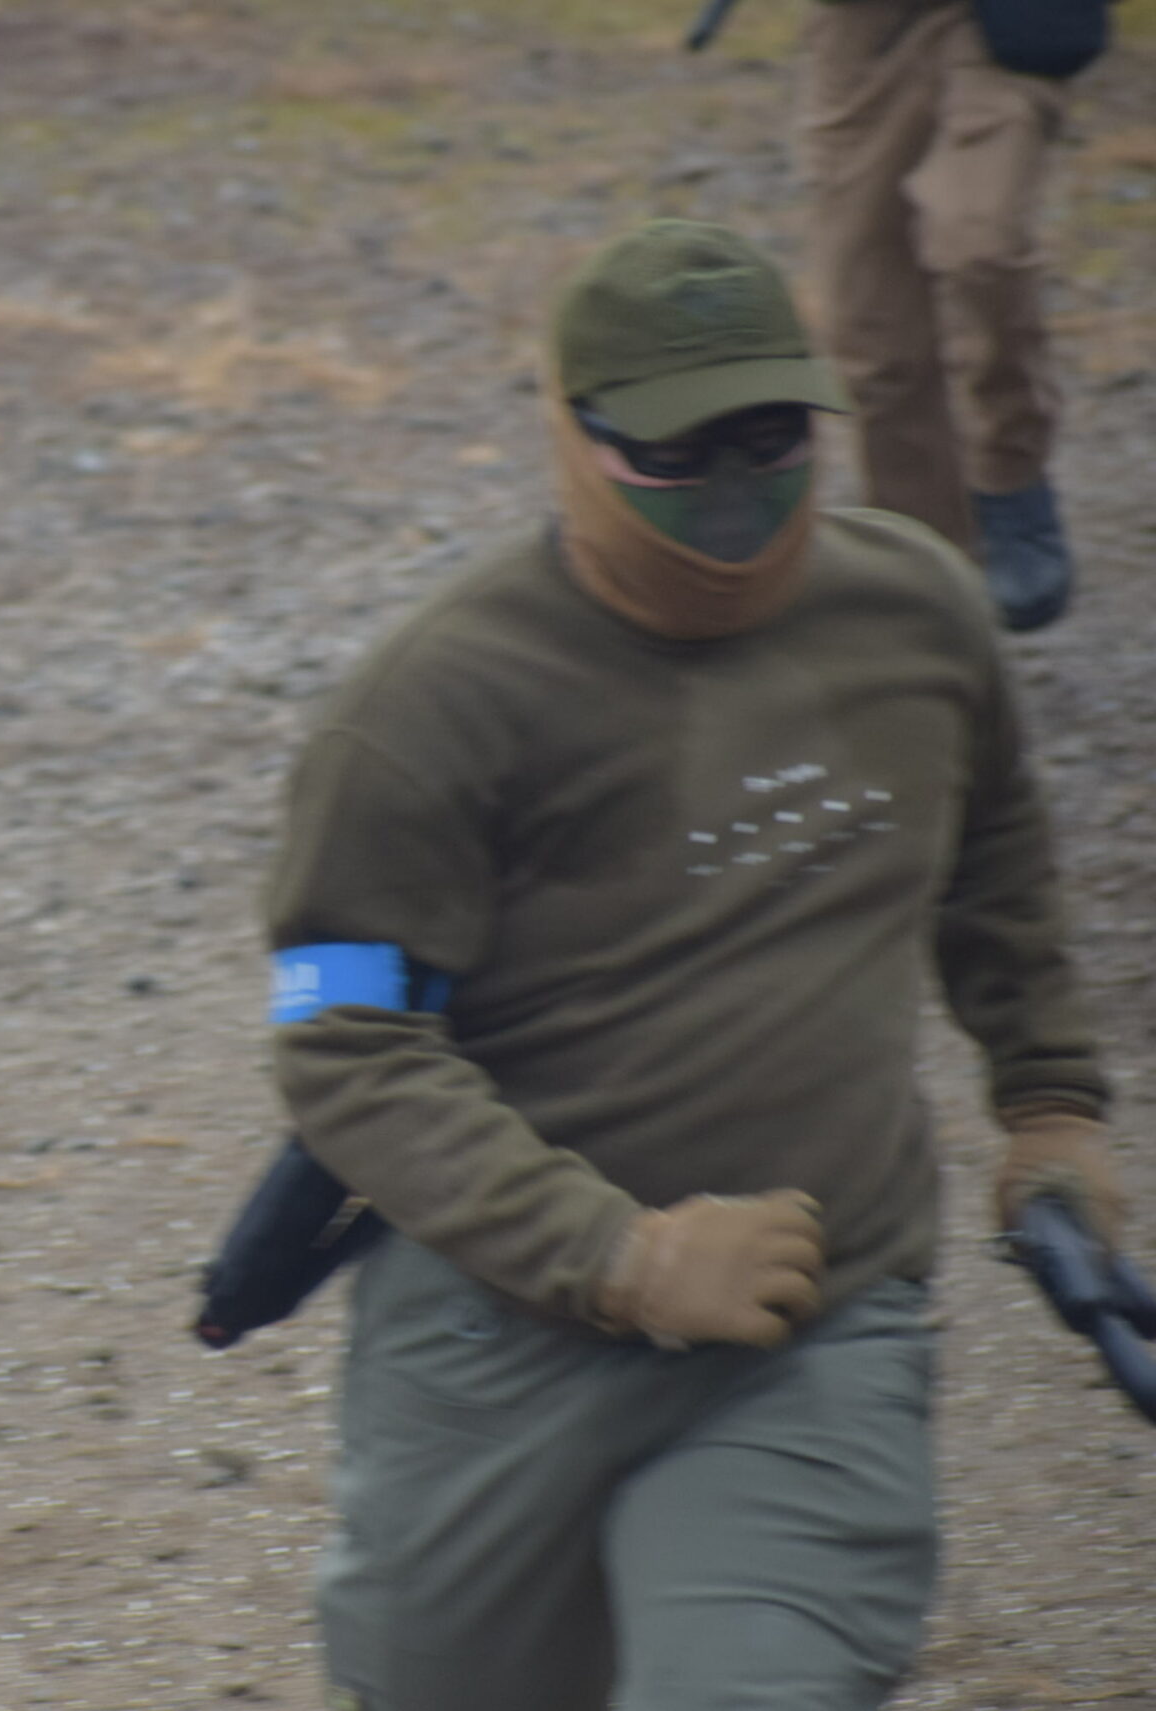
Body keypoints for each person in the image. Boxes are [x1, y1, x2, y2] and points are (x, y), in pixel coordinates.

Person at [259, 219, 1128, 1711]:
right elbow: (348, 1044)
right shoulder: (429, 707)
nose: (735, 488)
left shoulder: (918, 612)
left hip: (813, 1322)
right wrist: (619, 1256)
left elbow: (994, 854)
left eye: (770, 437)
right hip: (498, 1329)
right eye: (674, 450)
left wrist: (1050, 1102)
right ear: (571, 434)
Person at [800, 0, 1089, 631]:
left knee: (980, 242)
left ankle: (1010, 469)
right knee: (874, 336)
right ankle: (926, 575)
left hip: (1003, 20)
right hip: (864, 33)